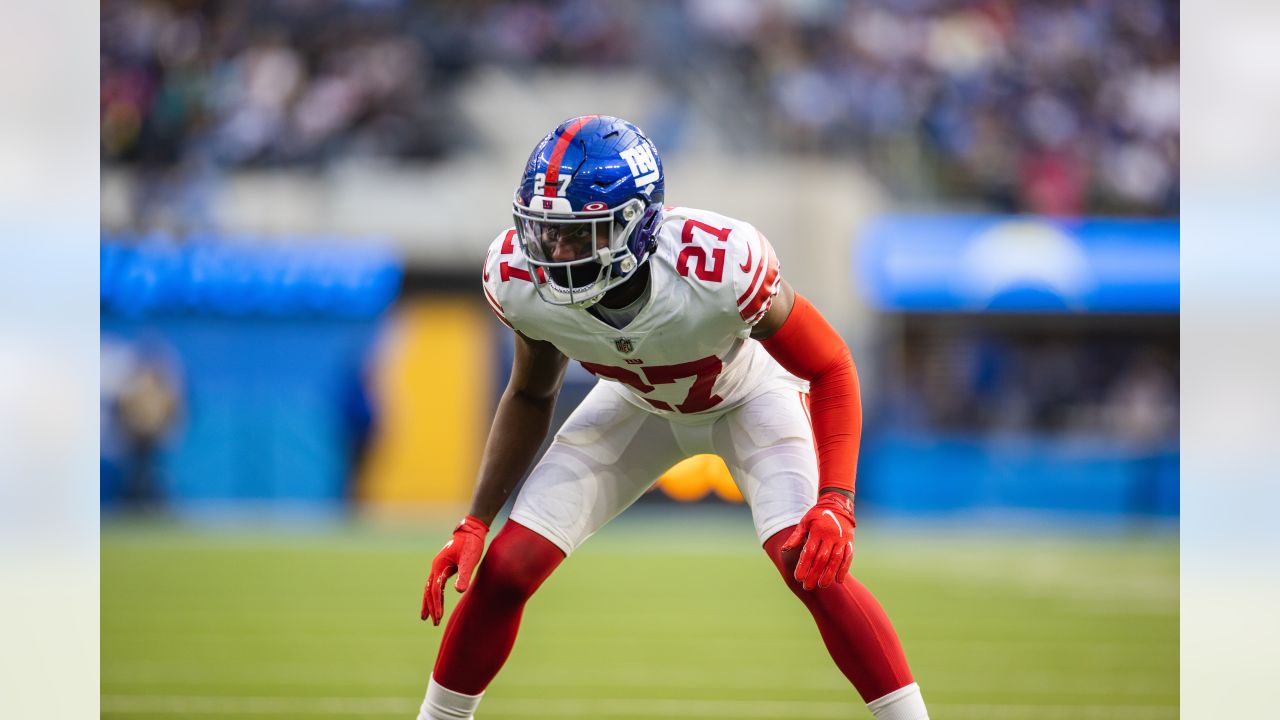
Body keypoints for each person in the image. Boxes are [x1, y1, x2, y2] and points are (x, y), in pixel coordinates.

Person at [417, 116, 929, 720]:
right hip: (637, 405)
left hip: (747, 397)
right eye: (545, 232)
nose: (553, 253)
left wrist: (837, 501)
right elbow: (530, 394)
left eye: (577, 235)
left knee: (809, 564)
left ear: (634, 226)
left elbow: (832, 365)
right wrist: (474, 523)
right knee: (506, 566)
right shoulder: (518, 279)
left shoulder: (716, 263)